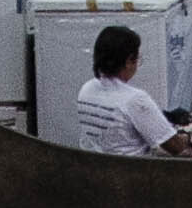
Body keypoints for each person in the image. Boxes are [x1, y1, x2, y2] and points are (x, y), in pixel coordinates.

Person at [74, 25, 177, 156]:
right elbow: (175, 146)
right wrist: (189, 136)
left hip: (94, 168)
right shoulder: (135, 99)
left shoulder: (86, 89)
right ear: (128, 61)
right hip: (131, 172)